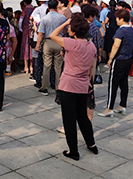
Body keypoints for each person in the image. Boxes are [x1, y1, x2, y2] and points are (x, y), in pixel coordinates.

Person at [50, 15, 98, 161]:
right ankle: (91, 144)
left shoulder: (72, 43)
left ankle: (73, 151)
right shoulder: (91, 45)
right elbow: (91, 67)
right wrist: (89, 81)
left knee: (69, 119)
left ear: (74, 31)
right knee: (82, 116)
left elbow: (52, 35)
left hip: (68, 85)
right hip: (82, 84)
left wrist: (65, 22)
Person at [98, 9, 133, 117]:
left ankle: (109, 107)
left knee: (113, 83)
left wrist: (110, 59)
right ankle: (122, 105)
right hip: (128, 58)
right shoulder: (131, 29)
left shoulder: (121, 30)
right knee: (124, 83)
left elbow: (116, 45)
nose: (116, 20)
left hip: (119, 59)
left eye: (117, 19)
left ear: (121, 19)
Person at [37, 0, 67, 96]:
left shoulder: (45, 19)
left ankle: (44, 87)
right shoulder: (62, 18)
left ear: (48, 7)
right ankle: (58, 87)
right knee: (58, 66)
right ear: (57, 6)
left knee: (47, 65)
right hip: (59, 42)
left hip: (48, 42)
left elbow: (41, 33)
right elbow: (65, 30)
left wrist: (38, 45)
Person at [31, 0, 50, 88]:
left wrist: (34, 24)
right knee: (47, 60)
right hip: (48, 37)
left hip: (38, 36)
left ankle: (38, 78)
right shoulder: (48, 9)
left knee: (37, 59)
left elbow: (32, 18)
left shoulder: (37, 9)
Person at [18, 0, 34, 75]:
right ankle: (31, 67)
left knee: (25, 48)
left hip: (25, 31)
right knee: (31, 48)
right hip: (33, 32)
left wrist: (21, 29)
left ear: (24, 2)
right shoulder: (34, 10)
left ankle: (26, 67)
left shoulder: (24, 10)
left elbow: (20, 21)